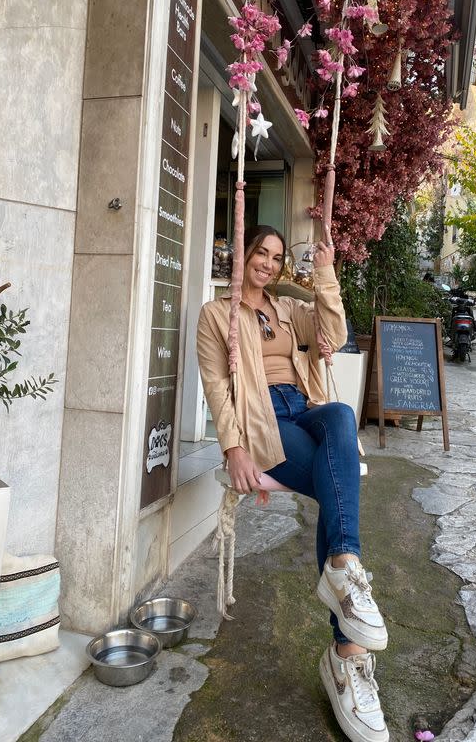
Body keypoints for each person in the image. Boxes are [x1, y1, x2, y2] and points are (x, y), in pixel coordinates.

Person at [197, 225, 389, 742]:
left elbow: (336, 333)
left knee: (342, 419)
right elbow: (217, 385)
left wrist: (325, 272)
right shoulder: (216, 315)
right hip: (263, 424)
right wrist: (234, 447)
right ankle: (347, 653)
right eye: (260, 252)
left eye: (277, 257)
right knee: (339, 483)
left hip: (300, 408)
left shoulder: (284, 309)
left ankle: (342, 566)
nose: (268, 263)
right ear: (243, 254)